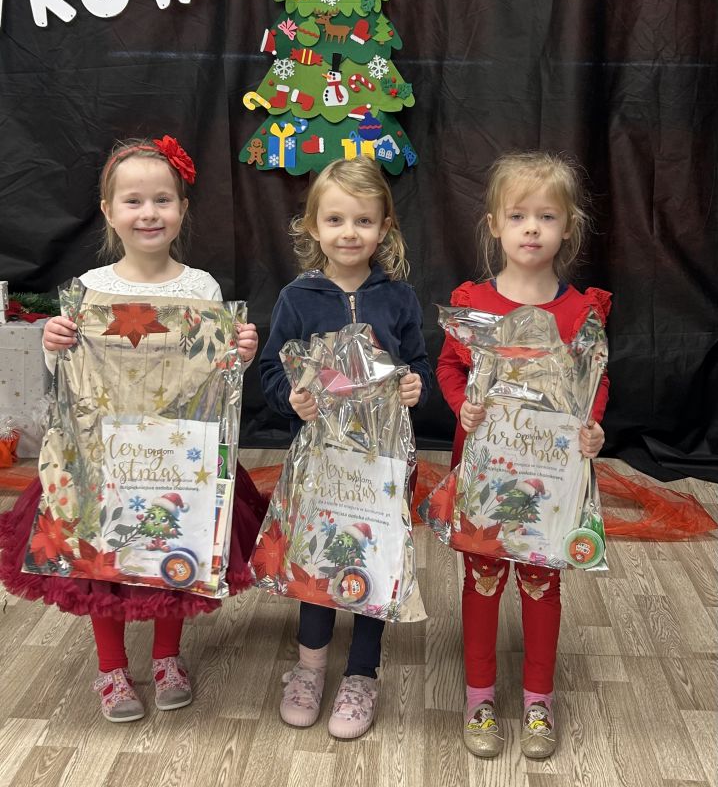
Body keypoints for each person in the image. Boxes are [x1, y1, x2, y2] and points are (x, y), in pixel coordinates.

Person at [0, 136, 266, 722]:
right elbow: (67, 379)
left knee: (175, 547)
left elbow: (213, 379)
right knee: (101, 561)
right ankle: (112, 668)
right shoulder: (89, 289)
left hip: (175, 457)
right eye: (134, 201)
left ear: (182, 209)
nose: (149, 213)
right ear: (109, 210)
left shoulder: (201, 289)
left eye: (163, 200)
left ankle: (168, 656)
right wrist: (53, 344)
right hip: (103, 459)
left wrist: (239, 353)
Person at [436, 151, 611, 761]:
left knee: (541, 582)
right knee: (482, 581)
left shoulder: (579, 313)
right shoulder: (473, 303)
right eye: (518, 216)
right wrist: (462, 406)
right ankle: (479, 697)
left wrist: (592, 427)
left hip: (550, 485)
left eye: (546, 216)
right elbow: (449, 367)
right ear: (494, 225)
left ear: (568, 227)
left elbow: (594, 384)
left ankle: (539, 700)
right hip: (485, 478)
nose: (531, 228)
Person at [260, 156, 432, 740]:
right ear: (313, 227)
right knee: (319, 557)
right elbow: (271, 370)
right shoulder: (297, 298)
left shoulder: (398, 298)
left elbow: (418, 365)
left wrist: (415, 386)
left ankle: (361, 675)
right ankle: (309, 669)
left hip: (382, 462)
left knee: (373, 559)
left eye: (363, 220)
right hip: (322, 461)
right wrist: (292, 398)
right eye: (335, 220)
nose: (349, 233)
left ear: (384, 227)